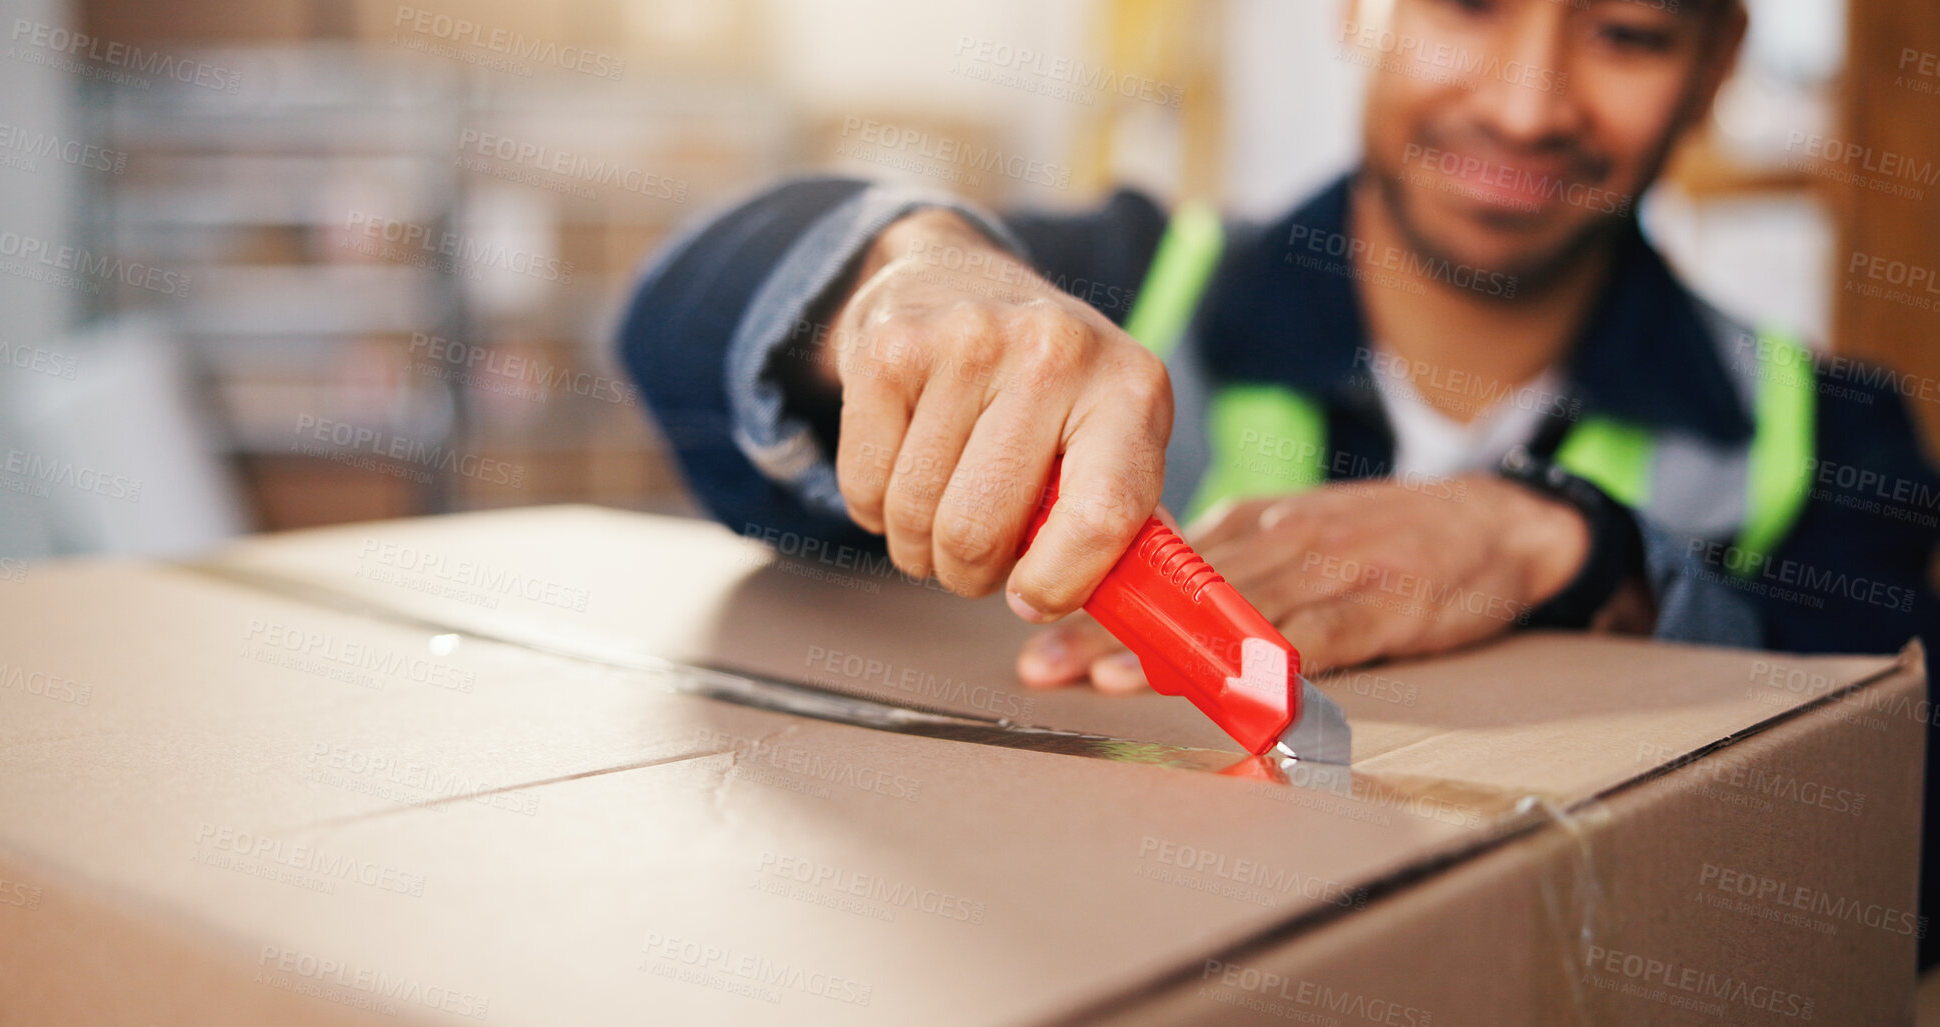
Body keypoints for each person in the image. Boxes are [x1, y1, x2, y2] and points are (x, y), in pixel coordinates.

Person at [618, 0, 1940, 963]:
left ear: (1715, 68)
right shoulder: (1131, 283)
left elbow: (1899, 830)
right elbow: (674, 331)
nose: (1530, 102)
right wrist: (901, 275)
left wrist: (1583, 554)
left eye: (1629, 34)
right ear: (1357, 10)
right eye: (1470, 6)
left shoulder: (1823, 434)